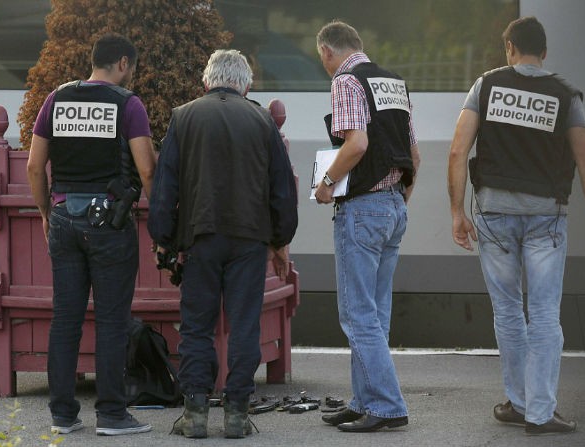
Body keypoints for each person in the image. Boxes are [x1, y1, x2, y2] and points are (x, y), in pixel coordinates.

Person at [447, 16, 585, 436]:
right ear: (545, 53)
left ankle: (518, 403)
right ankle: (539, 411)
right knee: (543, 312)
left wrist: (456, 212)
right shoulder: (565, 94)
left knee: (507, 312)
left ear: (509, 48)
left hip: (494, 214)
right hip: (545, 218)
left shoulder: (485, 86)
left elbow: (457, 151)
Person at [147, 49, 298, 439]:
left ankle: (195, 412)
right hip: (250, 240)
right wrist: (280, 240)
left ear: (206, 82)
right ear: (246, 85)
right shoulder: (263, 120)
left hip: (201, 237)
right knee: (244, 324)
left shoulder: (184, 116)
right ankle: (236, 414)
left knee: (197, 326)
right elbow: (282, 189)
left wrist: (163, 239)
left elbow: (165, 188)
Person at [27, 33, 156, 436]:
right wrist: (166, 221)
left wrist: (47, 211)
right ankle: (112, 415)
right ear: (121, 63)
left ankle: (63, 415)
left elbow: (34, 166)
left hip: (64, 218)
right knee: (112, 321)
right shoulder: (127, 104)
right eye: (131, 68)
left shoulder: (55, 99)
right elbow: (148, 170)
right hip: (109, 224)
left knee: (65, 319)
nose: (130, 76)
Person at [314, 21, 421, 433]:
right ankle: (364, 400)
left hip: (363, 208)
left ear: (327, 50)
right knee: (375, 314)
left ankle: (388, 405)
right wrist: (397, 202)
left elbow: (356, 144)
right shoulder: (393, 82)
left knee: (358, 315)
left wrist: (326, 184)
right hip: (393, 205)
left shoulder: (346, 80)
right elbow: (414, 153)